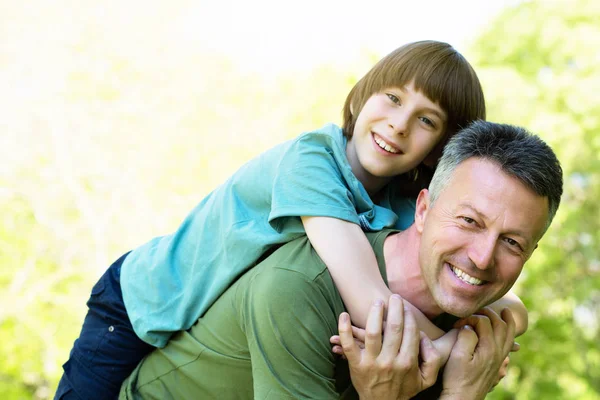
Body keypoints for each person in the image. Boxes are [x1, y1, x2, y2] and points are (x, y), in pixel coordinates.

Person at [55, 40, 520, 400]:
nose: (399, 124)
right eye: (393, 98)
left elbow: (505, 304)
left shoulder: (407, 204)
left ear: (441, 151)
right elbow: (369, 298)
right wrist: (447, 349)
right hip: (142, 302)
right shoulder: (311, 163)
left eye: (427, 120)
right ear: (362, 96)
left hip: (201, 324)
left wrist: (496, 322)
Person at [118, 121, 563, 399]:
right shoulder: (298, 287)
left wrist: (462, 390)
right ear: (423, 209)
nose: (483, 258)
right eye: (468, 220)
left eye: (512, 243)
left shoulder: (470, 331)